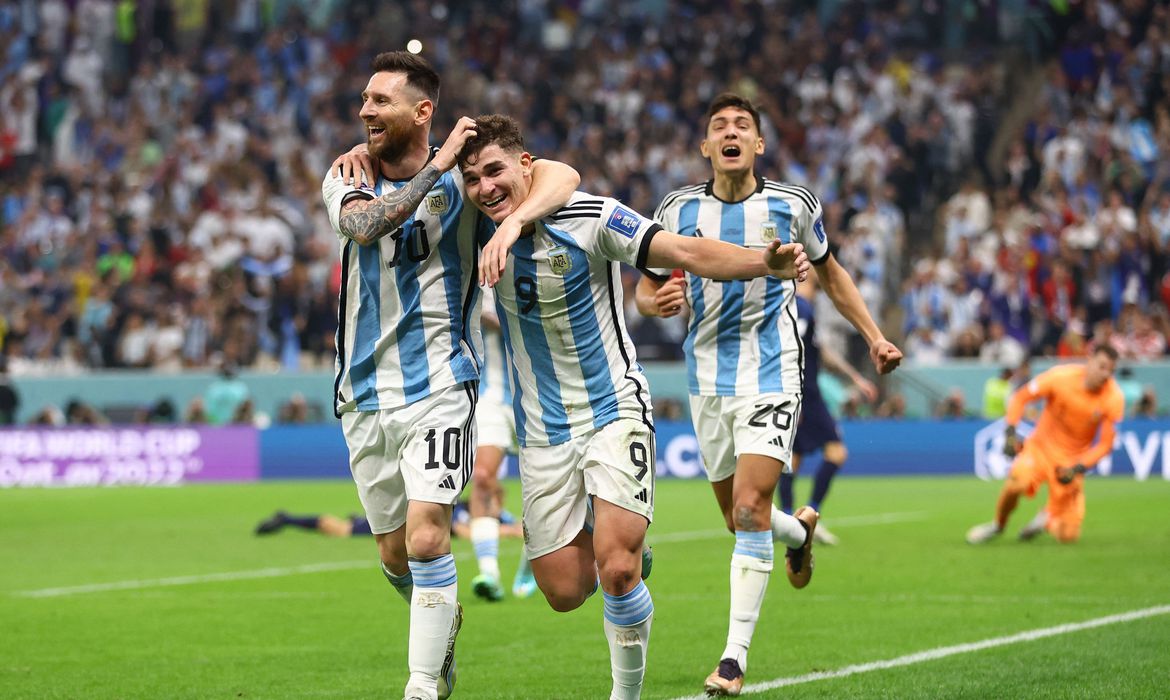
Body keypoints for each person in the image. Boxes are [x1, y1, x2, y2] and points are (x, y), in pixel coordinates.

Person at [459, 113, 810, 700]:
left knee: (616, 569)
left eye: (494, 171)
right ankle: (625, 544)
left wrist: (761, 262)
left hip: (613, 408)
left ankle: (625, 689)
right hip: (542, 431)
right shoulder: (470, 231)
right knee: (564, 590)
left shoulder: (593, 217)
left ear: (526, 165)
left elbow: (682, 250)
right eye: (472, 179)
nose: (484, 188)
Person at [322, 51, 579, 700]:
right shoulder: (348, 175)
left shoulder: (467, 182)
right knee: (394, 556)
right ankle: (442, 623)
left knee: (429, 534)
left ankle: (420, 686)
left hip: (441, 382)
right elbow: (363, 226)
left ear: (422, 111)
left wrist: (512, 219)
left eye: (379, 100)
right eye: (365, 99)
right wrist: (436, 167)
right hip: (363, 391)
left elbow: (560, 175)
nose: (365, 110)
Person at [634, 93, 902, 696]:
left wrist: (875, 337)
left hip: (773, 369)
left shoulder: (793, 204)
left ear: (758, 145)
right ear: (706, 146)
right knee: (739, 520)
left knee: (751, 508)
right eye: (719, 126)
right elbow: (645, 289)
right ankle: (800, 534)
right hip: (706, 377)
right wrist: (656, 302)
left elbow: (831, 274)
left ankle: (732, 660)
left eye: (742, 126)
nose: (730, 132)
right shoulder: (675, 210)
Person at [966, 345, 1124, 545]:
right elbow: (1020, 397)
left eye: (1111, 370)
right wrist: (1010, 433)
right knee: (1016, 484)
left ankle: (1047, 517)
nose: (1106, 374)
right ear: (1089, 360)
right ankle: (998, 524)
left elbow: (1105, 444)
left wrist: (1078, 467)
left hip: (1070, 462)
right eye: (1102, 366)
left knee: (1068, 536)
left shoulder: (1113, 397)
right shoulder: (1060, 377)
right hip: (1040, 449)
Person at [777, 275, 879, 546]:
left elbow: (819, 351)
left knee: (793, 458)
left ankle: (790, 519)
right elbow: (788, 351)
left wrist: (855, 377)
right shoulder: (799, 305)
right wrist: (791, 399)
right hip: (803, 394)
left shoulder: (803, 306)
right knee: (834, 452)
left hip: (802, 393)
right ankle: (805, 516)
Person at [254, 501, 524, 541]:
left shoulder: (491, 513)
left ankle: (287, 518)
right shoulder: (461, 508)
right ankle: (288, 519)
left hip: (407, 522)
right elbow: (464, 532)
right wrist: (510, 532)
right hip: (401, 521)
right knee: (341, 529)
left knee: (344, 527)